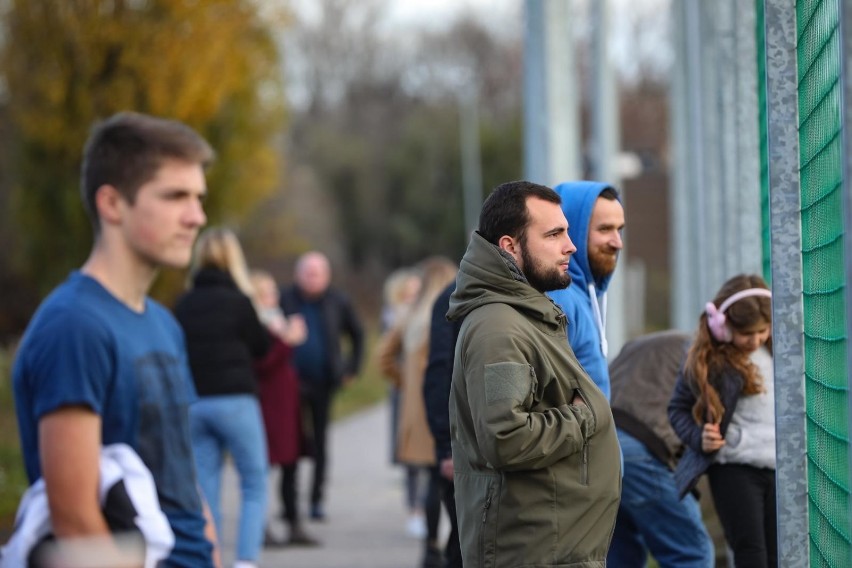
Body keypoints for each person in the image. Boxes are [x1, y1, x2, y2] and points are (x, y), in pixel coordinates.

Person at [11, 112, 217, 566]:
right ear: (112, 204)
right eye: (175, 196)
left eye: (198, 197)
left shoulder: (164, 324)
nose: (196, 216)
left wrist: (211, 552)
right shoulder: (74, 327)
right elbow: (76, 520)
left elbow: (181, 473)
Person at [447, 180, 621, 567]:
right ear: (510, 246)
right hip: (534, 551)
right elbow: (506, 437)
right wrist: (583, 417)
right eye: (554, 234)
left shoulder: (526, 314)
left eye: (568, 232)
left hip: (554, 546)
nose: (570, 246)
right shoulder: (498, 328)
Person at [173, 227, 271, 568]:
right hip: (236, 401)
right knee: (254, 482)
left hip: (195, 402)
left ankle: (208, 559)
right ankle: (245, 561)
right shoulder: (240, 302)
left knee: (205, 488)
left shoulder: (183, 304)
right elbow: (261, 347)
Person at [669, 274, 775, 567]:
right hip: (734, 469)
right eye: (747, 334)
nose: (755, 340)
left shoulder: (781, 352)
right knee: (751, 552)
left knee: (780, 551)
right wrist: (699, 436)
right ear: (723, 326)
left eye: (763, 331)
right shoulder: (710, 362)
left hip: (780, 467)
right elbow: (677, 408)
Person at [607, 331, 714, 567]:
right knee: (691, 554)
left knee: (621, 556)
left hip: (602, 449)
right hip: (644, 449)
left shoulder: (639, 343)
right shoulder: (703, 353)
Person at [377, 257, 458, 568]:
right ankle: (440, 547)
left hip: (415, 411)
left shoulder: (409, 317)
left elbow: (383, 356)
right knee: (445, 483)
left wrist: (405, 383)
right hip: (437, 408)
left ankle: (429, 545)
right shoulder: (444, 317)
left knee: (430, 481)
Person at [279, 251, 365, 521]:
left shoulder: (338, 301)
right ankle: (289, 503)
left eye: (317, 273)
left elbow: (358, 334)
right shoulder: (284, 300)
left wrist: (351, 369)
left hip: (323, 382)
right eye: (308, 272)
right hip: (289, 384)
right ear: (297, 275)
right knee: (289, 442)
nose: (312, 278)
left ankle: (316, 500)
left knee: (319, 442)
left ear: (326, 277)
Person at [248, 269, 319, 548]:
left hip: (287, 404)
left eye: (273, 292)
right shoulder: (255, 326)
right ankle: (260, 526)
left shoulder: (276, 321)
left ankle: (293, 523)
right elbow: (261, 365)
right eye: (266, 293)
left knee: (291, 465)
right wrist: (286, 341)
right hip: (267, 405)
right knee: (263, 466)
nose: (273, 297)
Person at [547, 181, 625, 400]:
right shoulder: (559, 298)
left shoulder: (580, 296)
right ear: (570, 230)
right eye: (605, 229)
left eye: (619, 229)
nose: (617, 242)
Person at [377, 267, 425, 538]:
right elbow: (387, 356)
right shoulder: (393, 316)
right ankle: (413, 508)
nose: (413, 295)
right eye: (409, 290)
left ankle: (424, 506)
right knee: (409, 450)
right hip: (405, 392)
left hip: (423, 391)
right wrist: (404, 379)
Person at [422, 280, 463, 568]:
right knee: (463, 544)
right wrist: (446, 446)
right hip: (463, 445)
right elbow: (440, 371)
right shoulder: (454, 296)